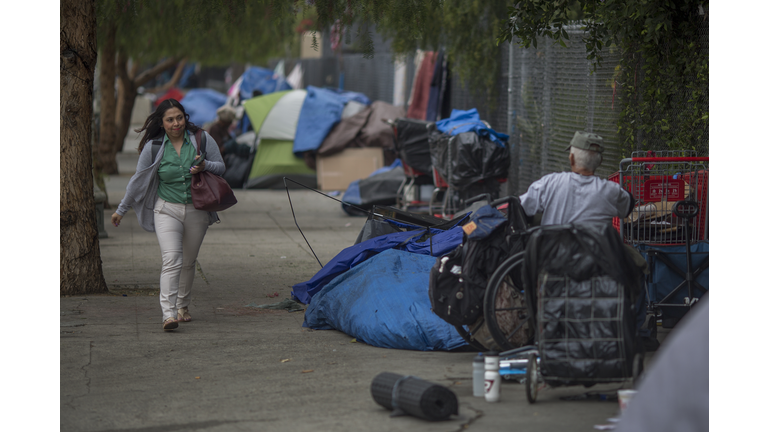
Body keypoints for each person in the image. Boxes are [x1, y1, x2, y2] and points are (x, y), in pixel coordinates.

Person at [110, 99, 225, 331]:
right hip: (166, 209)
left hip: (197, 210)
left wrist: (205, 167)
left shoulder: (201, 139)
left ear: (185, 117)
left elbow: (221, 167)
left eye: (179, 118)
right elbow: (138, 181)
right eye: (170, 120)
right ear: (161, 123)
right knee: (172, 260)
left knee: (188, 261)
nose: (176, 123)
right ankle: (168, 314)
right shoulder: (154, 146)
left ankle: (182, 306)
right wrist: (121, 209)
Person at [519, 131, 634, 225]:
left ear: (571, 158)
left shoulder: (549, 182)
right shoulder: (610, 190)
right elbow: (628, 204)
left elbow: (522, 206)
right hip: (594, 252)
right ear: (600, 162)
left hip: (553, 251)